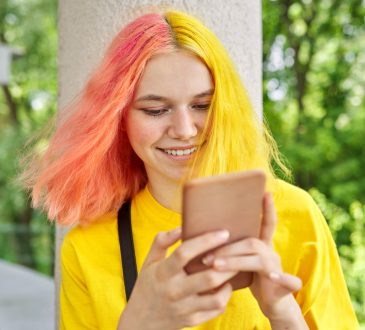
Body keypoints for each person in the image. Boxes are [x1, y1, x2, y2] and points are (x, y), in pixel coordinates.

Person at [23, 10, 358, 330]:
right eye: (155, 110)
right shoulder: (87, 246)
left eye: (202, 105)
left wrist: (283, 314)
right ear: (119, 119)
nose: (184, 129)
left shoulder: (295, 215)